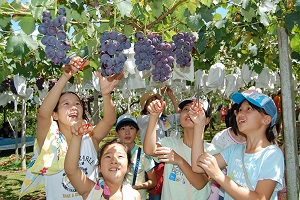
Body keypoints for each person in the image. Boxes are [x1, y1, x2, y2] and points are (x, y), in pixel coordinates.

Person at [20, 56, 124, 199]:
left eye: (77, 104)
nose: (73, 107)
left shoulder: (90, 138)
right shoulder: (49, 142)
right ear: (55, 115)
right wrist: (65, 76)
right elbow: (44, 115)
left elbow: (109, 120)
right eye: (66, 104)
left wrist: (106, 95)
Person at [191, 90, 285, 200]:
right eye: (240, 109)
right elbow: (198, 167)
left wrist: (219, 176)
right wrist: (199, 125)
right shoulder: (234, 151)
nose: (240, 113)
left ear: (266, 119)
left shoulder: (272, 154)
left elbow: (260, 198)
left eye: (249, 109)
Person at [143, 97, 220, 200]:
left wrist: (179, 161)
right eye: (186, 109)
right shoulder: (169, 143)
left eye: (197, 110)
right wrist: (154, 116)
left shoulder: (212, 150)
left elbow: (200, 183)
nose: (190, 112)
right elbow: (149, 150)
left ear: (206, 120)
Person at [65, 134, 141, 200]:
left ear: (128, 167)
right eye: (108, 156)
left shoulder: (134, 196)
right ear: (99, 167)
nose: (114, 160)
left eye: (120, 156)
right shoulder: (91, 190)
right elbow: (71, 171)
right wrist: (76, 136)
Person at [137, 86, 180, 200]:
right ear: (145, 107)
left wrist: (171, 96)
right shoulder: (142, 119)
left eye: (156, 100)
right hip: (152, 158)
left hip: (165, 157)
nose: (155, 103)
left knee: (167, 187)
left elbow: (178, 116)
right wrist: (156, 112)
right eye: (151, 102)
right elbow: (153, 117)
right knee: (156, 189)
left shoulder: (164, 119)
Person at [115, 114, 157, 200]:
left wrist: (139, 186)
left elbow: (153, 181)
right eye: (123, 129)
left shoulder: (144, 154)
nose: (127, 132)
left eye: (131, 128)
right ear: (117, 133)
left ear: (137, 132)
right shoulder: (113, 154)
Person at [210, 103, 246, 200]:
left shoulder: (270, 152)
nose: (243, 114)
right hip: (223, 193)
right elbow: (206, 165)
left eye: (249, 109)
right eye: (241, 110)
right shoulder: (231, 148)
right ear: (235, 113)